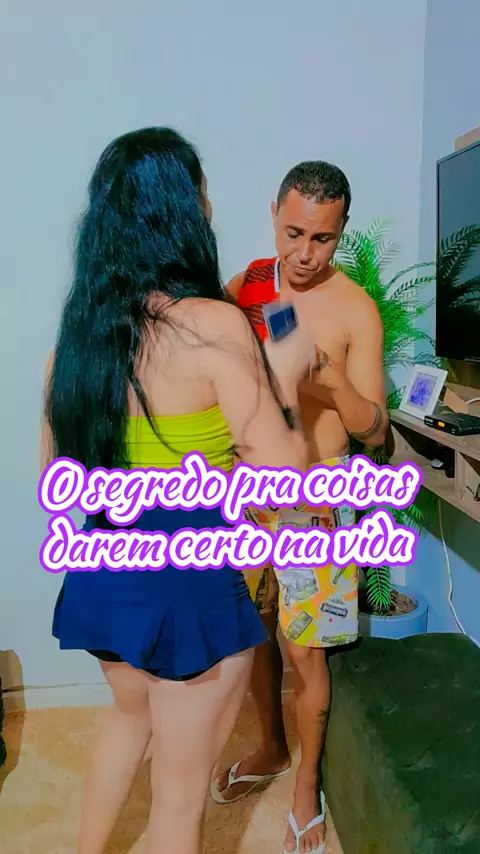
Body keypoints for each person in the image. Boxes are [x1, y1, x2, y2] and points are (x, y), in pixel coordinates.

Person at [40, 128, 315, 854]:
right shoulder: (213, 328)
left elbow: (55, 482)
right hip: (187, 583)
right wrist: (287, 378)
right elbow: (284, 474)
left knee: (128, 720)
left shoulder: (76, 343)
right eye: (202, 193)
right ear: (182, 211)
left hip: (103, 568)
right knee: (180, 800)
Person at [211, 161, 387, 854]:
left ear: (341, 232)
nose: (304, 254)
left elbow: (374, 432)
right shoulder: (249, 284)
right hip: (249, 496)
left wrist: (328, 380)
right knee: (253, 633)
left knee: (305, 654)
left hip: (315, 506)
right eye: (293, 233)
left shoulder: (355, 309)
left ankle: (306, 788)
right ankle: (270, 747)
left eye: (323, 238)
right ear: (273, 215)